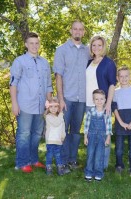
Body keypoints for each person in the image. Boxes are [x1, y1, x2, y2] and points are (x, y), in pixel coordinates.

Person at [10, 32, 53, 173]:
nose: (34, 46)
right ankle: (22, 162)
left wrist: (50, 102)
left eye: (37, 43)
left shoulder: (44, 62)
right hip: (25, 105)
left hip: (40, 106)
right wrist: (14, 104)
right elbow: (13, 84)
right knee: (24, 134)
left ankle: (33, 160)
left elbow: (48, 85)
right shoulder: (19, 61)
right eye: (31, 43)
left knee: (36, 134)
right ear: (26, 44)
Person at [53, 20, 90, 170]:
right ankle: (62, 161)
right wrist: (60, 99)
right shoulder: (61, 50)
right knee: (63, 131)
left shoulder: (88, 51)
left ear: (83, 32)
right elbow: (58, 76)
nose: (77, 32)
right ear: (71, 31)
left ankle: (72, 160)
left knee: (75, 132)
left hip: (82, 99)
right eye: (75, 29)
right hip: (67, 98)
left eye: (80, 29)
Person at [86, 35, 117, 169]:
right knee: (92, 135)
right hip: (88, 103)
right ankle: (91, 163)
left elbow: (112, 84)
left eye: (99, 45)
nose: (96, 48)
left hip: (102, 104)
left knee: (104, 134)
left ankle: (102, 165)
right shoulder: (88, 62)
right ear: (91, 47)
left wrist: (108, 103)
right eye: (94, 45)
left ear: (103, 47)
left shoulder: (108, 63)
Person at [113, 67, 131, 177]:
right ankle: (119, 166)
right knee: (119, 149)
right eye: (121, 76)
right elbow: (114, 107)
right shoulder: (115, 92)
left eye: (126, 76)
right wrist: (121, 122)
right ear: (117, 78)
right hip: (120, 124)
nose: (124, 78)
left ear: (130, 77)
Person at [84, 89, 112, 181]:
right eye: (96, 99)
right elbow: (86, 125)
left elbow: (108, 126)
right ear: (93, 100)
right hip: (91, 136)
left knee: (99, 156)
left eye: (101, 99)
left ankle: (98, 173)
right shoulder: (90, 111)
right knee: (90, 154)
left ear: (105, 100)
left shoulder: (106, 112)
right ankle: (88, 172)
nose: (99, 101)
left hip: (102, 137)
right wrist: (85, 136)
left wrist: (108, 137)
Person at [44, 97, 70, 175]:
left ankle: (60, 168)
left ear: (58, 108)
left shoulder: (60, 117)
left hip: (58, 140)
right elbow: (56, 123)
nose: (53, 109)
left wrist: (63, 137)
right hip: (50, 140)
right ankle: (49, 168)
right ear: (48, 108)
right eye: (51, 107)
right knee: (50, 154)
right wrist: (61, 114)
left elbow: (62, 128)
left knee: (58, 155)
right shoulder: (48, 117)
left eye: (55, 106)